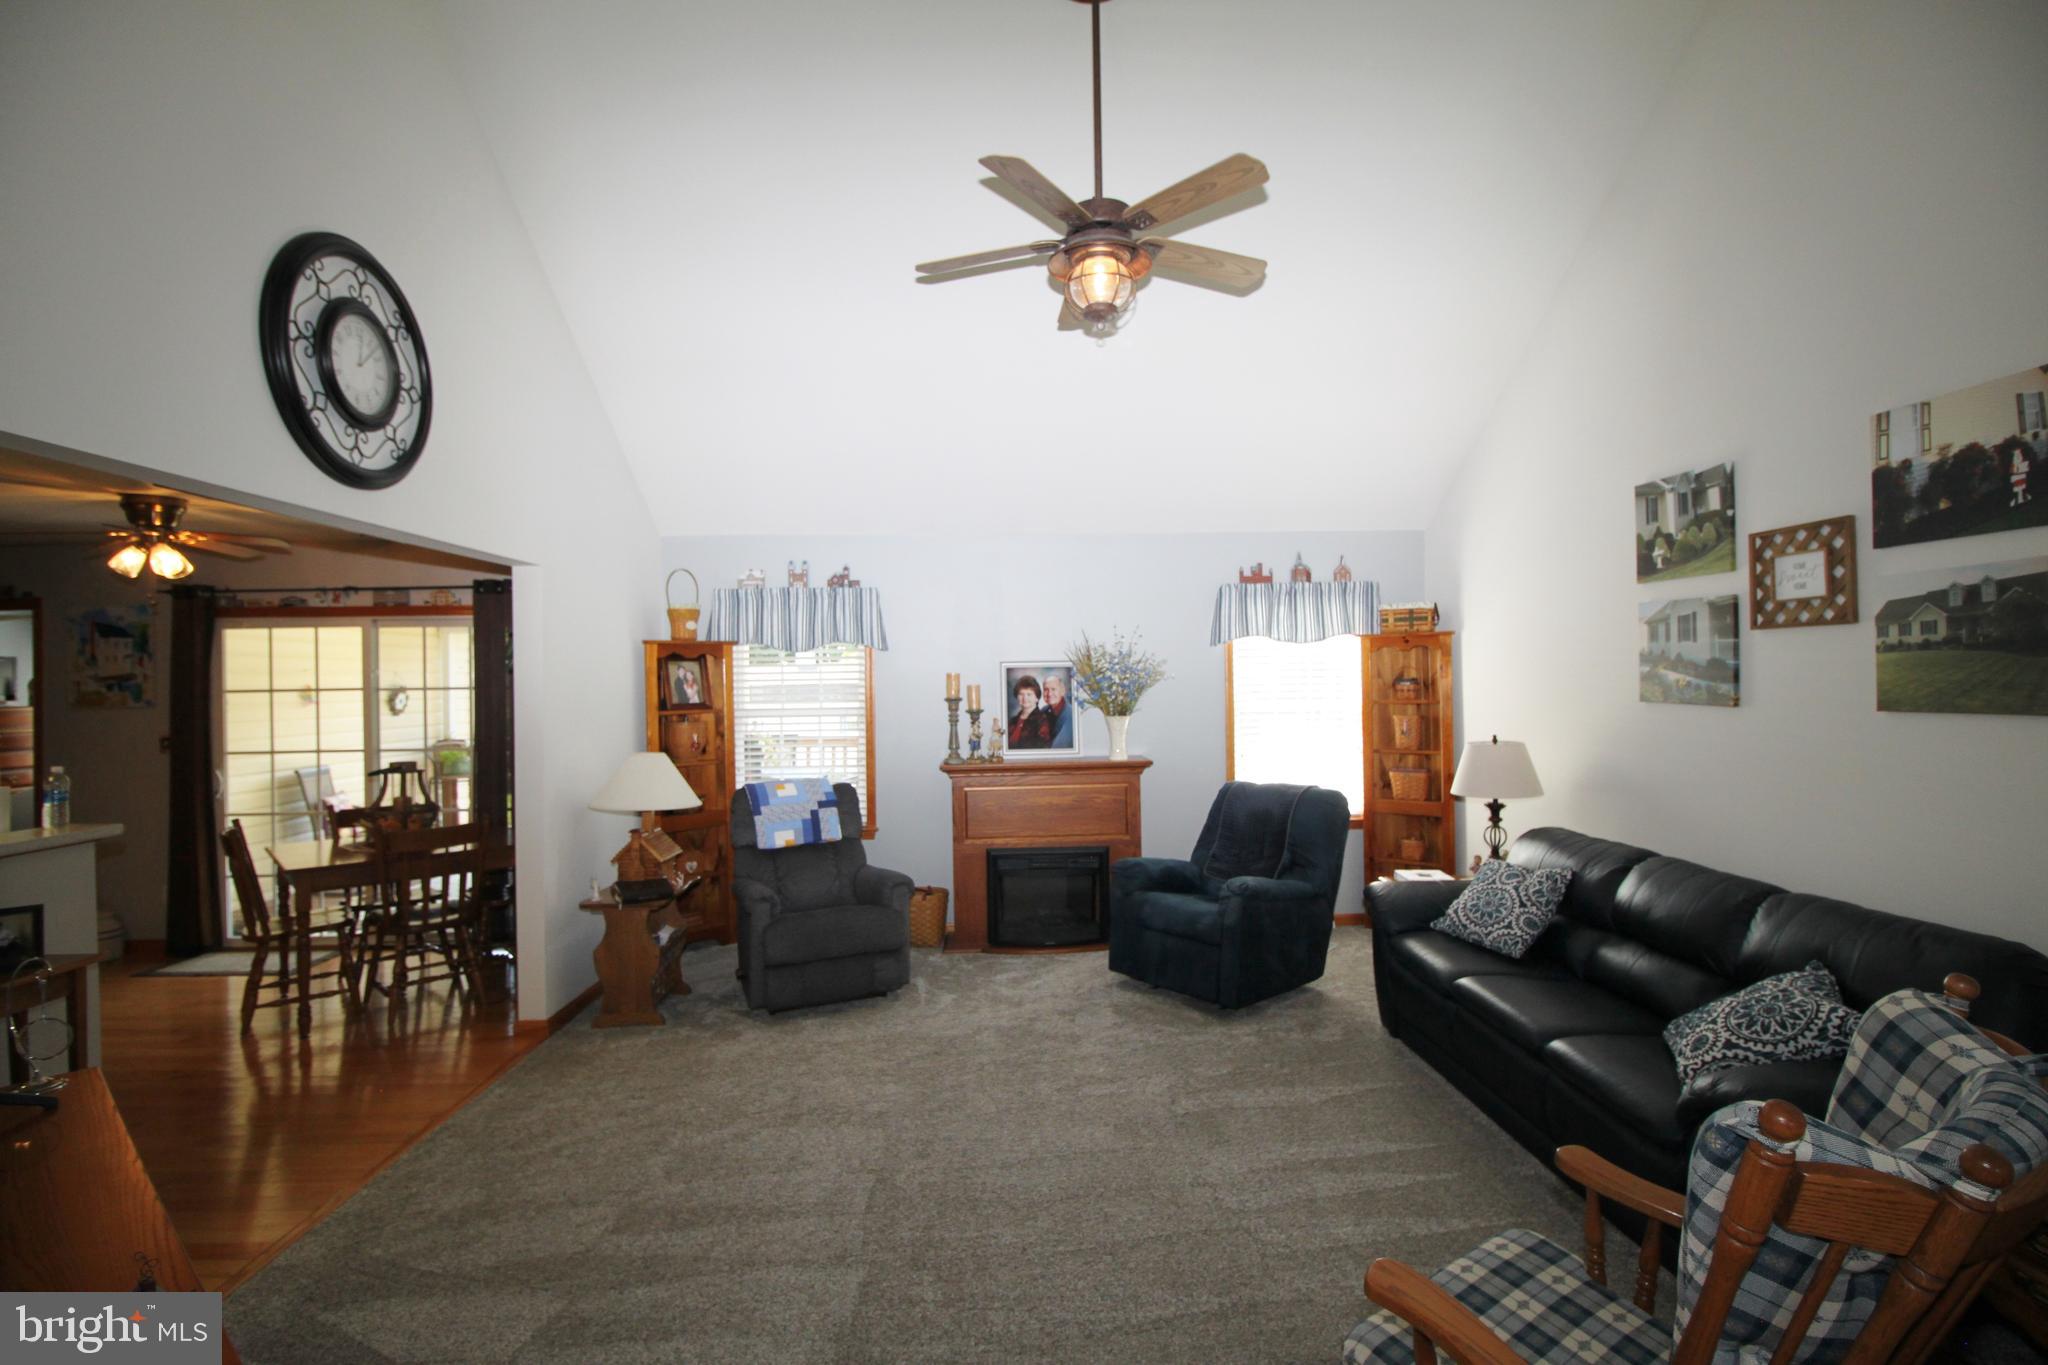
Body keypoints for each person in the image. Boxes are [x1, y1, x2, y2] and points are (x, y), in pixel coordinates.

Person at [1008, 674, 1054, 749]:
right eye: (1021, 694)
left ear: (1037, 698)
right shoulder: (1012, 721)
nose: (1025, 698)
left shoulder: (1043, 720)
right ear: (1017, 697)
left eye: (1029, 694)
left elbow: (1042, 748)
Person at [1041, 670, 1074, 749]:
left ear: (1062, 691)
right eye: (1046, 689)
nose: (1049, 694)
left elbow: (1058, 748)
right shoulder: (1044, 711)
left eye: (1053, 689)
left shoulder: (1070, 714)